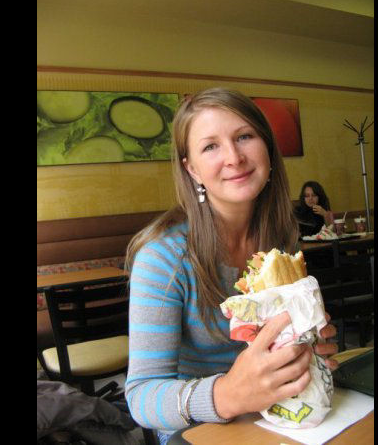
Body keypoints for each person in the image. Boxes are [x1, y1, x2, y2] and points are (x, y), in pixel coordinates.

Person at [124, 88, 338, 445]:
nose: (234, 158)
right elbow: (141, 397)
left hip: (281, 416)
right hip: (198, 432)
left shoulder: (282, 241)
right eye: (211, 146)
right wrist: (227, 395)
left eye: (244, 137)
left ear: (267, 148)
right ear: (192, 169)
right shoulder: (163, 258)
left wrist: (308, 348)